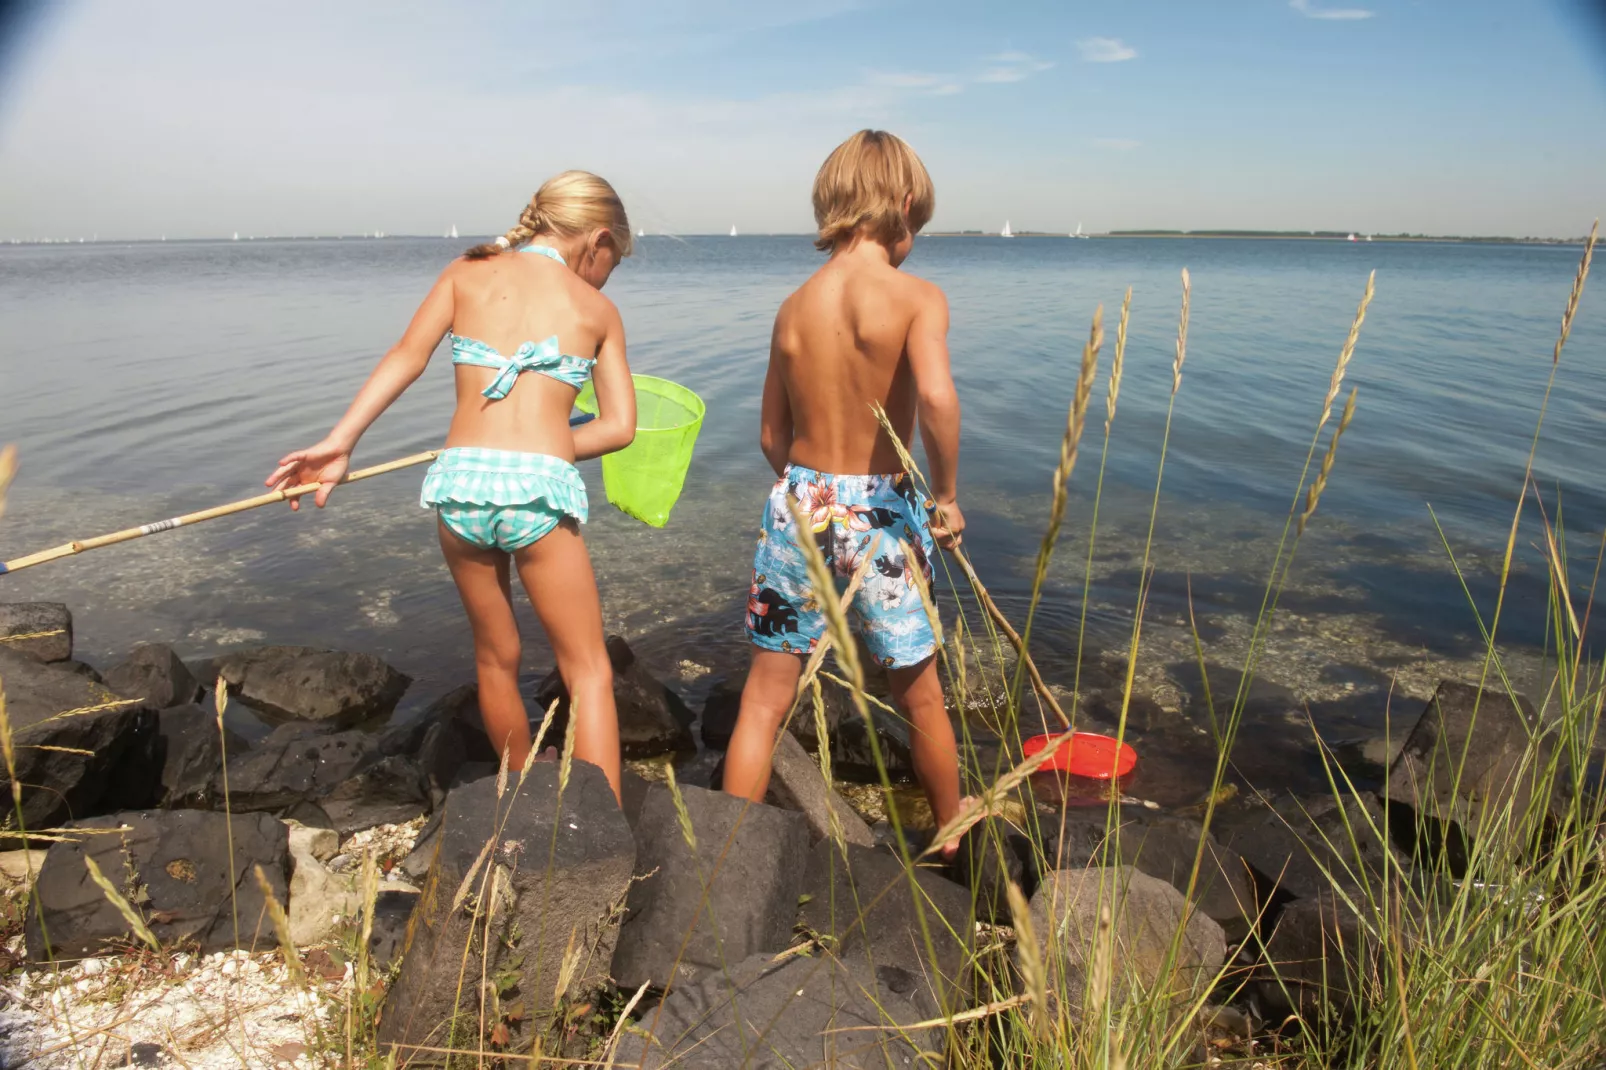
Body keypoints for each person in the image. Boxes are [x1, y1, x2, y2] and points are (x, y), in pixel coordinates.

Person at [266, 171, 637, 801]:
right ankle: (599, 837)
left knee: (496, 657)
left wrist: (341, 442)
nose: (608, 275)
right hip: (538, 492)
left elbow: (406, 356)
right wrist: (544, 444)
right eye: (614, 261)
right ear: (597, 239)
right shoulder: (596, 309)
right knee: (589, 669)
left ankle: (517, 795)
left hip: (461, 483)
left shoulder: (466, 271)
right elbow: (621, 428)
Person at [722, 129, 967, 850]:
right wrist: (946, 495)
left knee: (765, 697)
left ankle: (725, 848)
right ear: (903, 203)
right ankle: (953, 832)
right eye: (916, 223)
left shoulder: (793, 307)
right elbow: (940, 398)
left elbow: (771, 434)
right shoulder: (916, 297)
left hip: (799, 504)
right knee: (920, 695)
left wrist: (809, 495)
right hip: (880, 511)